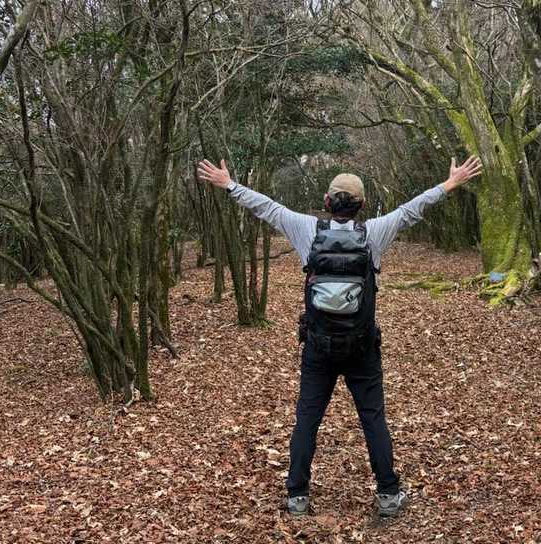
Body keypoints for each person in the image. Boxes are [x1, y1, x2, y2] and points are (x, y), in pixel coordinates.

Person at [196, 156, 483, 517]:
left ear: (327, 201)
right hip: (362, 349)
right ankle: (388, 495)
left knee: (308, 419)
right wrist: (450, 183)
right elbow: (411, 210)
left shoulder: (307, 229)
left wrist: (229, 185)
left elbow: (267, 208)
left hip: (318, 348)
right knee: (372, 418)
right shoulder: (374, 232)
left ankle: (297, 495)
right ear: (362, 205)